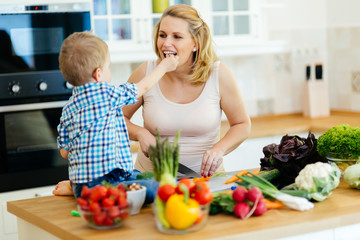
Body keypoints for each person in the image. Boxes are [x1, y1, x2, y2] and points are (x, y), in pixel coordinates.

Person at [123, 4, 251, 178]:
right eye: (162, 35)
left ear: (195, 44)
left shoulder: (218, 75)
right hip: (151, 181)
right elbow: (114, 117)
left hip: (206, 181)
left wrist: (218, 149)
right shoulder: (147, 73)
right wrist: (141, 133)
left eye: (177, 36)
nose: (166, 43)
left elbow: (242, 125)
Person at [53, 31, 178, 198]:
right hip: (108, 184)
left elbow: (64, 152)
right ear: (98, 74)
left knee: (141, 176)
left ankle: (78, 189)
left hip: (81, 184)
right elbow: (142, 88)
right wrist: (164, 66)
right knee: (163, 188)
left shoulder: (68, 108)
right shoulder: (107, 94)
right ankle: (94, 191)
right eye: (108, 67)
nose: (109, 72)